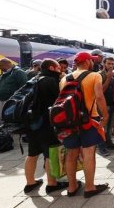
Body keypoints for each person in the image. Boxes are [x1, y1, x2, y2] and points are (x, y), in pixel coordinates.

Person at [59, 52, 109, 197]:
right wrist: (104, 116)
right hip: (89, 120)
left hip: (69, 122)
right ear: (87, 62)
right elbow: (99, 97)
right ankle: (89, 187)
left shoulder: (64, 79)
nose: (93, 63)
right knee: (88, 154)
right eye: (91, 60)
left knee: (71, 154)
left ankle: (72, 187)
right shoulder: (95, 76)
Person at [23, 59, 69, 194]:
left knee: (32, 153)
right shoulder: (50, 81)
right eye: (58, 67)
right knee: (50, 154)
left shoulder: (35, 79)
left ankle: (30, 183)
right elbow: (59, 100)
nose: (60, 69)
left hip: (31, 122)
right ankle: (52, 184)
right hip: (45, 124)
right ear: (51, 68)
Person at [97, 57, 114, 156]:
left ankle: (109, 143)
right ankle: (102, 148)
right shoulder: (99, 75)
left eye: (112, 64)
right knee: (102, 127)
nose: (111, 66)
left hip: (112, 103)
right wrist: (109, 78)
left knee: (110, 126)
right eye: (109, 63)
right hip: (104, 104)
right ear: (104, 64)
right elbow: (101, 90)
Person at [0, 58, 27, 125]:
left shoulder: (18, 72)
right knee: (2, 118)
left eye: (0, 66)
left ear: (6, 65)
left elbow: (24, 87)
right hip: (2, 99)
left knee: (7, 118)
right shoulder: (6, 73)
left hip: (10, 101)